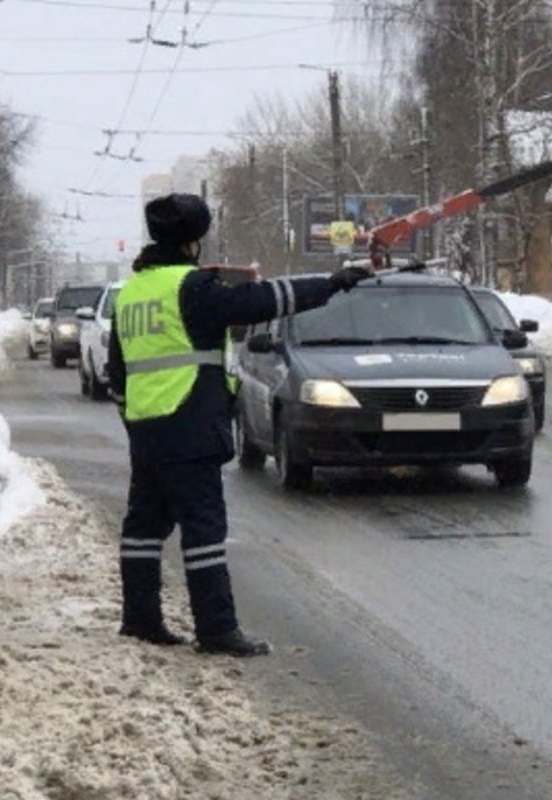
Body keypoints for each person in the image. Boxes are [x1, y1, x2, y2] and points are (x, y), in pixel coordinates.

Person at [107, 193, 372, 657]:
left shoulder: (133, 292)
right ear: (193, 242)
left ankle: (141, 619)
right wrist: (332, 284)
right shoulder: (190, 287)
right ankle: (217, 630)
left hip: (148, 428)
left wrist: (136, 418)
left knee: (144, 527)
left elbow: (117, 373)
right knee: (204, 529)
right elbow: (263, 301)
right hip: (189, 423)